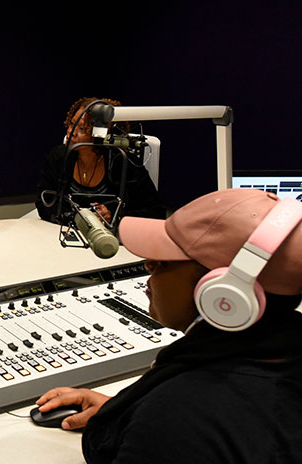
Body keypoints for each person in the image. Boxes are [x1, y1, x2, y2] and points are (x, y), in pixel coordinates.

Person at [35, 189, 302, 463]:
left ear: (224, 294)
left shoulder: (177, 422)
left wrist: (155, 421)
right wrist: (128, 409)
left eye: (164, 261)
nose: (148, 265)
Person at [36, 97, 165, 225]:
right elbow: (44, 203)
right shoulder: (57, 157)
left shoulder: (124, 163)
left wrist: (113, 216)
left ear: (102, 134)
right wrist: (75, 218)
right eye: (72, 123)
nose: (71, 132)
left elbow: (155, 212)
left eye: (82, 129)